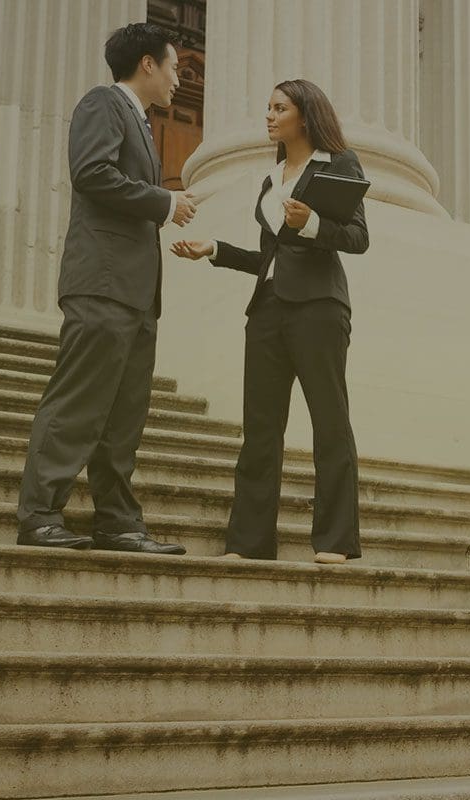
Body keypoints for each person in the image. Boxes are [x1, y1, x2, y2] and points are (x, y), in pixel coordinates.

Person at [16, 22, 197, 555]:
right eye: (173, 67)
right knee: (78, 402)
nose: (177, 81)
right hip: (101, 283)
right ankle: (39, 515)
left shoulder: (139, 121)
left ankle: (116, 521)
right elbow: (91, 172)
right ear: (147, 63)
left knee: (123, 417)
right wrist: (165, 203)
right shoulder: (103, 103)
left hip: (136, 294)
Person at [170, 79, 369, 564]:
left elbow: (359, 237)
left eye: (279, 108)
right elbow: (267, 256)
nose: (269, 115)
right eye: (268, 107)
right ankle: (249, 543)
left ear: (304, 115)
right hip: (266, 309)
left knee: (330, 422)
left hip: (320, 307)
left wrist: (313, 223)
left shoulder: (338, 164)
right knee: (260, 429)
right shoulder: (272, 178)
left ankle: (336, 542)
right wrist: (214, 248)